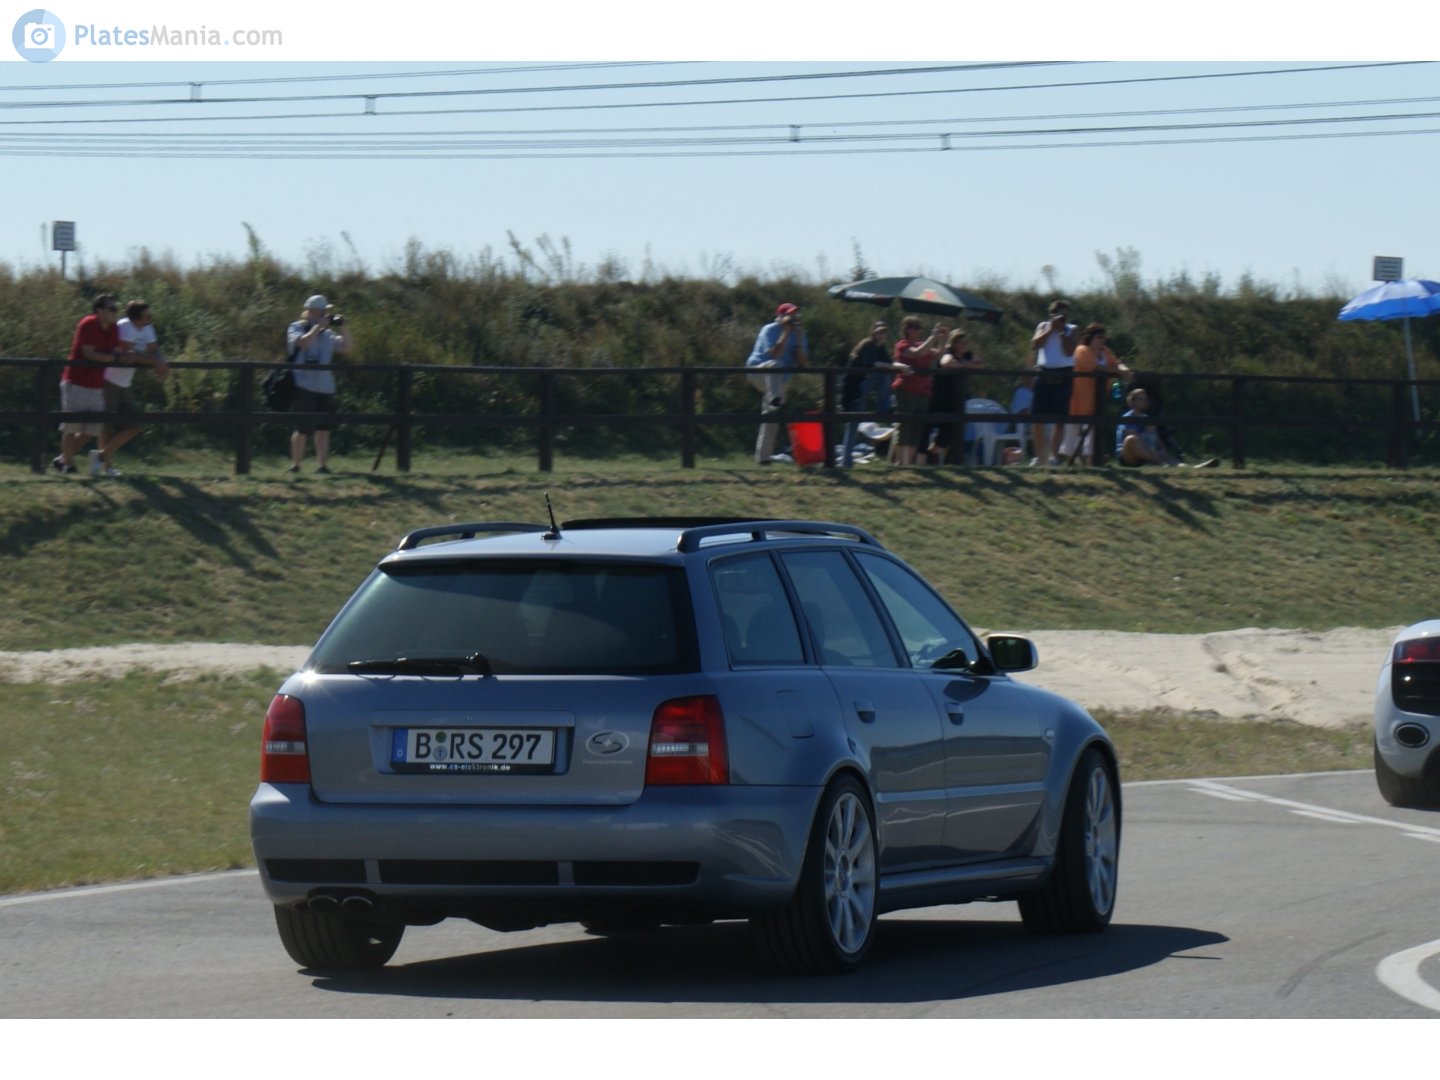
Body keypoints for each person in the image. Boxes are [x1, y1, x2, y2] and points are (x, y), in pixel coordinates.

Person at [91, 300, 170, 477]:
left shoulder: (148, 327)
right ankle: (107, 467)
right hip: (109, 380)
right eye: (147, 315)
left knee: (133, 426)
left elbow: (153, 350)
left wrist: (161, 362)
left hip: (125, 383)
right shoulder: (125, 326)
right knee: (107, 426)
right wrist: (155, 362)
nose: (151, 318)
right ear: (136, 317)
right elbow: (128, 355)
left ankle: (100, 457)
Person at [54, 294, 124, 475]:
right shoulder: (88, 324)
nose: (115, 312)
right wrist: (113, 357)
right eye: (111, 308)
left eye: (116, 308)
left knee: (92, 428)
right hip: (76, 381)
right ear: (99, 311)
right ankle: (68, 465)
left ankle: (62, 459)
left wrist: (114, 356)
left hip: (96, 384)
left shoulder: (114, 328)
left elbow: (115, 352)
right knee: (71, 426)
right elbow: (89, 354)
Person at [286, 293, 350, 474]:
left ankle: (322, 466)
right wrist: (316, 329)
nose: (326, 315)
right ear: (312, 311)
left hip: (325, 386)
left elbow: (347, 348)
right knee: (302, 428)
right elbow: (303, 343)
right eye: (323, 311)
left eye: (327, 312)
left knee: (324, 428)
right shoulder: (296, 327)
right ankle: (296, 465)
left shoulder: (328, 334)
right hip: (303, 384)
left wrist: (344, 328)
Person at [745, 302, 808, 465]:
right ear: (780, 317)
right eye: (790, 315)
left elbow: (802, 362)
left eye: (795, 315)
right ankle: (775, 400)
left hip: (779, 380)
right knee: (776, 364)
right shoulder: (769, 330)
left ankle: (763, 458)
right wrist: (786, 332)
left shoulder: (799, 333)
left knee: (771, 417)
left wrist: (799, 339)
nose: (793, 318)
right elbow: (775, 353)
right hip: (759, 372)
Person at [840, 321, 908, 467]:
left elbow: (889, 363)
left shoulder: (880, 347)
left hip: (861, 386)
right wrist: (894, 367)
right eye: (879, 332)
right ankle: (883, 408)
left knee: (853, 423)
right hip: (854, 387)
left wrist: (903, 367)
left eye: (884, 332)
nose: (882, 335)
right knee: (852, 423)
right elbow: (875, 364)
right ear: (873, 333)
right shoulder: (868, 344)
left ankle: (846, 462)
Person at [1060, 322, 1128, 466]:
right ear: (1090, 337)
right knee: (1073, 435)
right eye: (1098, 337)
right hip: (1078, 399)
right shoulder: (1082, 350)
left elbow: (1116, 363)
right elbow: (1097, 368)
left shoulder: (1105, 352)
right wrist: (1117, 371)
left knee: (1091, 437)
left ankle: (1090, 464)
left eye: (1103, 337)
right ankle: (1071, 464)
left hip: (1097, 401)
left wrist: (1124, 369)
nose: (1102, 340)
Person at [890, 315, 948, 466]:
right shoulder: (902, 345)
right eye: (914, 327)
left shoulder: (922, 344)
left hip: (923, 390)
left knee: (918, 426)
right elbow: (916, 353)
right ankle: (900, 462)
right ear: (907, 329)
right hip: (907, 389)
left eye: (918, 328)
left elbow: (938, 355)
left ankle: (908, 463)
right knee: (906, 424)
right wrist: (932, 336)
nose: (917, 331)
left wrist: (942, 339)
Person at [1029, 299, 1079, 466]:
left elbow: (1069, 351)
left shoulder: (1072, 330)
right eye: (1059, 314)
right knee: (1037, 418)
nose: (1062, 318)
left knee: (1059, 419)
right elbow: (1035, 345)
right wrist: (1050, 329)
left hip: (1064, 375)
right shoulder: (1043, 326)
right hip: (1044, 374)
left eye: (1065, 314)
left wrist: (1061, 332)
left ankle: (1054, 456)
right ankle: (1039, 456)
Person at [929, 327, 982, 465]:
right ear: (954, 343)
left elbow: (980, 364)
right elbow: (946, 363)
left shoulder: (967, 355)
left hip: (956, 399)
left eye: (965, 342)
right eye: (960, 342)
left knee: (956, 431)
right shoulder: (948, 353)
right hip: (941, 398)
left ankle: (944, 459)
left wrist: (964, 364)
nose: (964, 345)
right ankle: (932, 456)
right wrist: (965, 365)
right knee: (945, 431)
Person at [1115, 387, 1179, 466]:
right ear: (1133, 402)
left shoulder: (1146, 417)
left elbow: (1155, 436)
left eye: (1145, 399)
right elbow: (1129, 436)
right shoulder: (1127, 418)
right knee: (1131, 439)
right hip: (1128, 455)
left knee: (1163, 454)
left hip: (1146, 453)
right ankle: (1160, 463)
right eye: (1141, 399)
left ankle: (1184, 466)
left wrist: (1162, 449)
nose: (1144, 402)